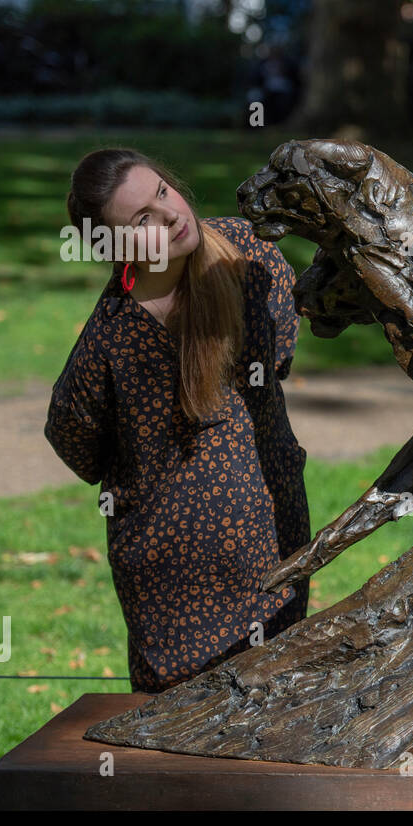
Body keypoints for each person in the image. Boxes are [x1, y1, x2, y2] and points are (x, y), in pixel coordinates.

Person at [46, 148, 311, 693]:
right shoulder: (111, 337)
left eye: (163, 192)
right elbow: (74, 439)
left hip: (273, 550)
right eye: (142, 219)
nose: (170, 215)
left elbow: (278, 348)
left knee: (277, 721)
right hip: (170, 586)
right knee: (174, 749)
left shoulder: (249, 255)